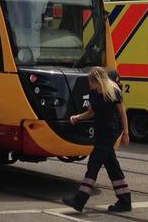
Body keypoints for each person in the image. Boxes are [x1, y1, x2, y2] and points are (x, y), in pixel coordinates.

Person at [62, 66, 132, 213]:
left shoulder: (113, 91)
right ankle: (125, 200)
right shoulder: (93, 93)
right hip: (100, 132)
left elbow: (123, 114)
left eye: (90, 81)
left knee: (93, 163)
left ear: (98, 80)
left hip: (110, 132)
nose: (89, 84)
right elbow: (90, 112)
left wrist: (125, 133)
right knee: (112, 166)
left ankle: (79, 200)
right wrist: (77, 117)